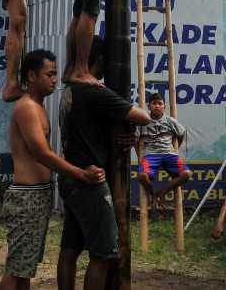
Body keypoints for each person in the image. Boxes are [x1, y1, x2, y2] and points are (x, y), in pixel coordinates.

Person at [0, 49, 106, 290]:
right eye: (49, 74)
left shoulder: (38, 105)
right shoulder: (27, 107)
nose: (54, 79)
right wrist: (81, 174)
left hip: (38, 194)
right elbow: (42, 154)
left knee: (24, 268)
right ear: (32, 76)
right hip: (27, 197)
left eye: (55, 74)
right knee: (16, 269)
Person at [56, 36, 151, 290]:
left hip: (70, 177)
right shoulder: (94, 91)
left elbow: (97, 125)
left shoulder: (70, 88)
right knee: (105, 254)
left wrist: (128, 131)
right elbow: (143, 117)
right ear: (100, 60)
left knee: (70, 249)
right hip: (90, 180)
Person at [136, 92, 190, 208]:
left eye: (160, 104)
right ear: (148, 106)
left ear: (164, 107)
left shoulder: (170, 121)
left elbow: (181, 133)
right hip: (150, 155)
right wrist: (139, 155)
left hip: (169, 154)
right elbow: (136, 139)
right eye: (154, 103)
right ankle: (153, 193)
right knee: (142, 176)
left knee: (186, 174)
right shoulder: (143, 121)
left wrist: (175, 149)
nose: (157, 106)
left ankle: (162, 192)